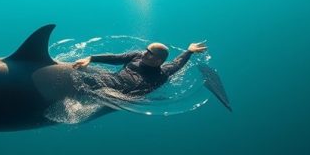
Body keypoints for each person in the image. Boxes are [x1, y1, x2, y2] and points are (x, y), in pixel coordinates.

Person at [72, 41, 208, 96]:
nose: (144, 53)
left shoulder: (162, 73)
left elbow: (177, 63)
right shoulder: (137, 56)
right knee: (77, 76)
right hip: (111, 80)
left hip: (123, 96)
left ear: (158, 61)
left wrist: (189, 52)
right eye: (146, 50)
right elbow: (115, 58)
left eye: (149, 53)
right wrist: (92, 58)